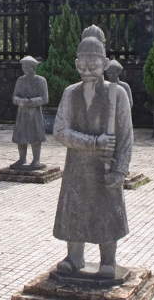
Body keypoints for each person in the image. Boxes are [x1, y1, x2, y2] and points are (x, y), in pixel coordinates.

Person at [52, 27, 133, 279]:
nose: (87, 71)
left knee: (106, 212)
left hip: (105, 166)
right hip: (77, 165)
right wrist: (94, 142)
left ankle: (108, 260)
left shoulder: (117, 93)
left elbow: (126, 136)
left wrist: (121, 170)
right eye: (82, 66)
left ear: (105, 64)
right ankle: (74, 256)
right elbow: (60, 131)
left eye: (93, 66)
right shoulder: (70, 93)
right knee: (75, 209)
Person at [11, 56, 48, 168]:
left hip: (34, 113)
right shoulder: (20, 80)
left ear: (33, 68)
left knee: (35, 136)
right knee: (20, 136)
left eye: (27, 67)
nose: (25, 69)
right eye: (23, 67)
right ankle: (22, 158)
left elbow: (44, 98)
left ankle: (36, 159)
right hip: (22, 113)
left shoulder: (40, 80)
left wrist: (31, 102)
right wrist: (20, 101)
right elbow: (14, 97)